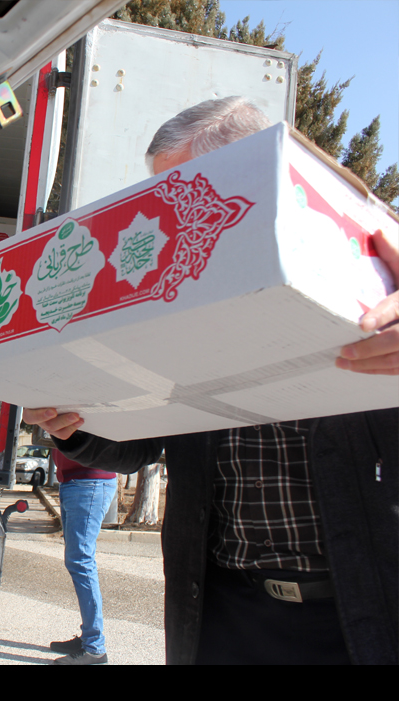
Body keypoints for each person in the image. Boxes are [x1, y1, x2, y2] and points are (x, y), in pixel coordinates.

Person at [26, 96, 398, 665]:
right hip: (227, 613)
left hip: (360, 617)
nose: (176, 216)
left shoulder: (368, 273)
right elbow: (142, 440)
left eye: (189, 190)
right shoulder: (178, 309)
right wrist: (72, 423)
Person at [49, 448, 116, 665]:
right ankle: (88, 638)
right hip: (76, 480)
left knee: (81, 562)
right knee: (77, 561)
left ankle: (95, 648)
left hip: (89, 482)